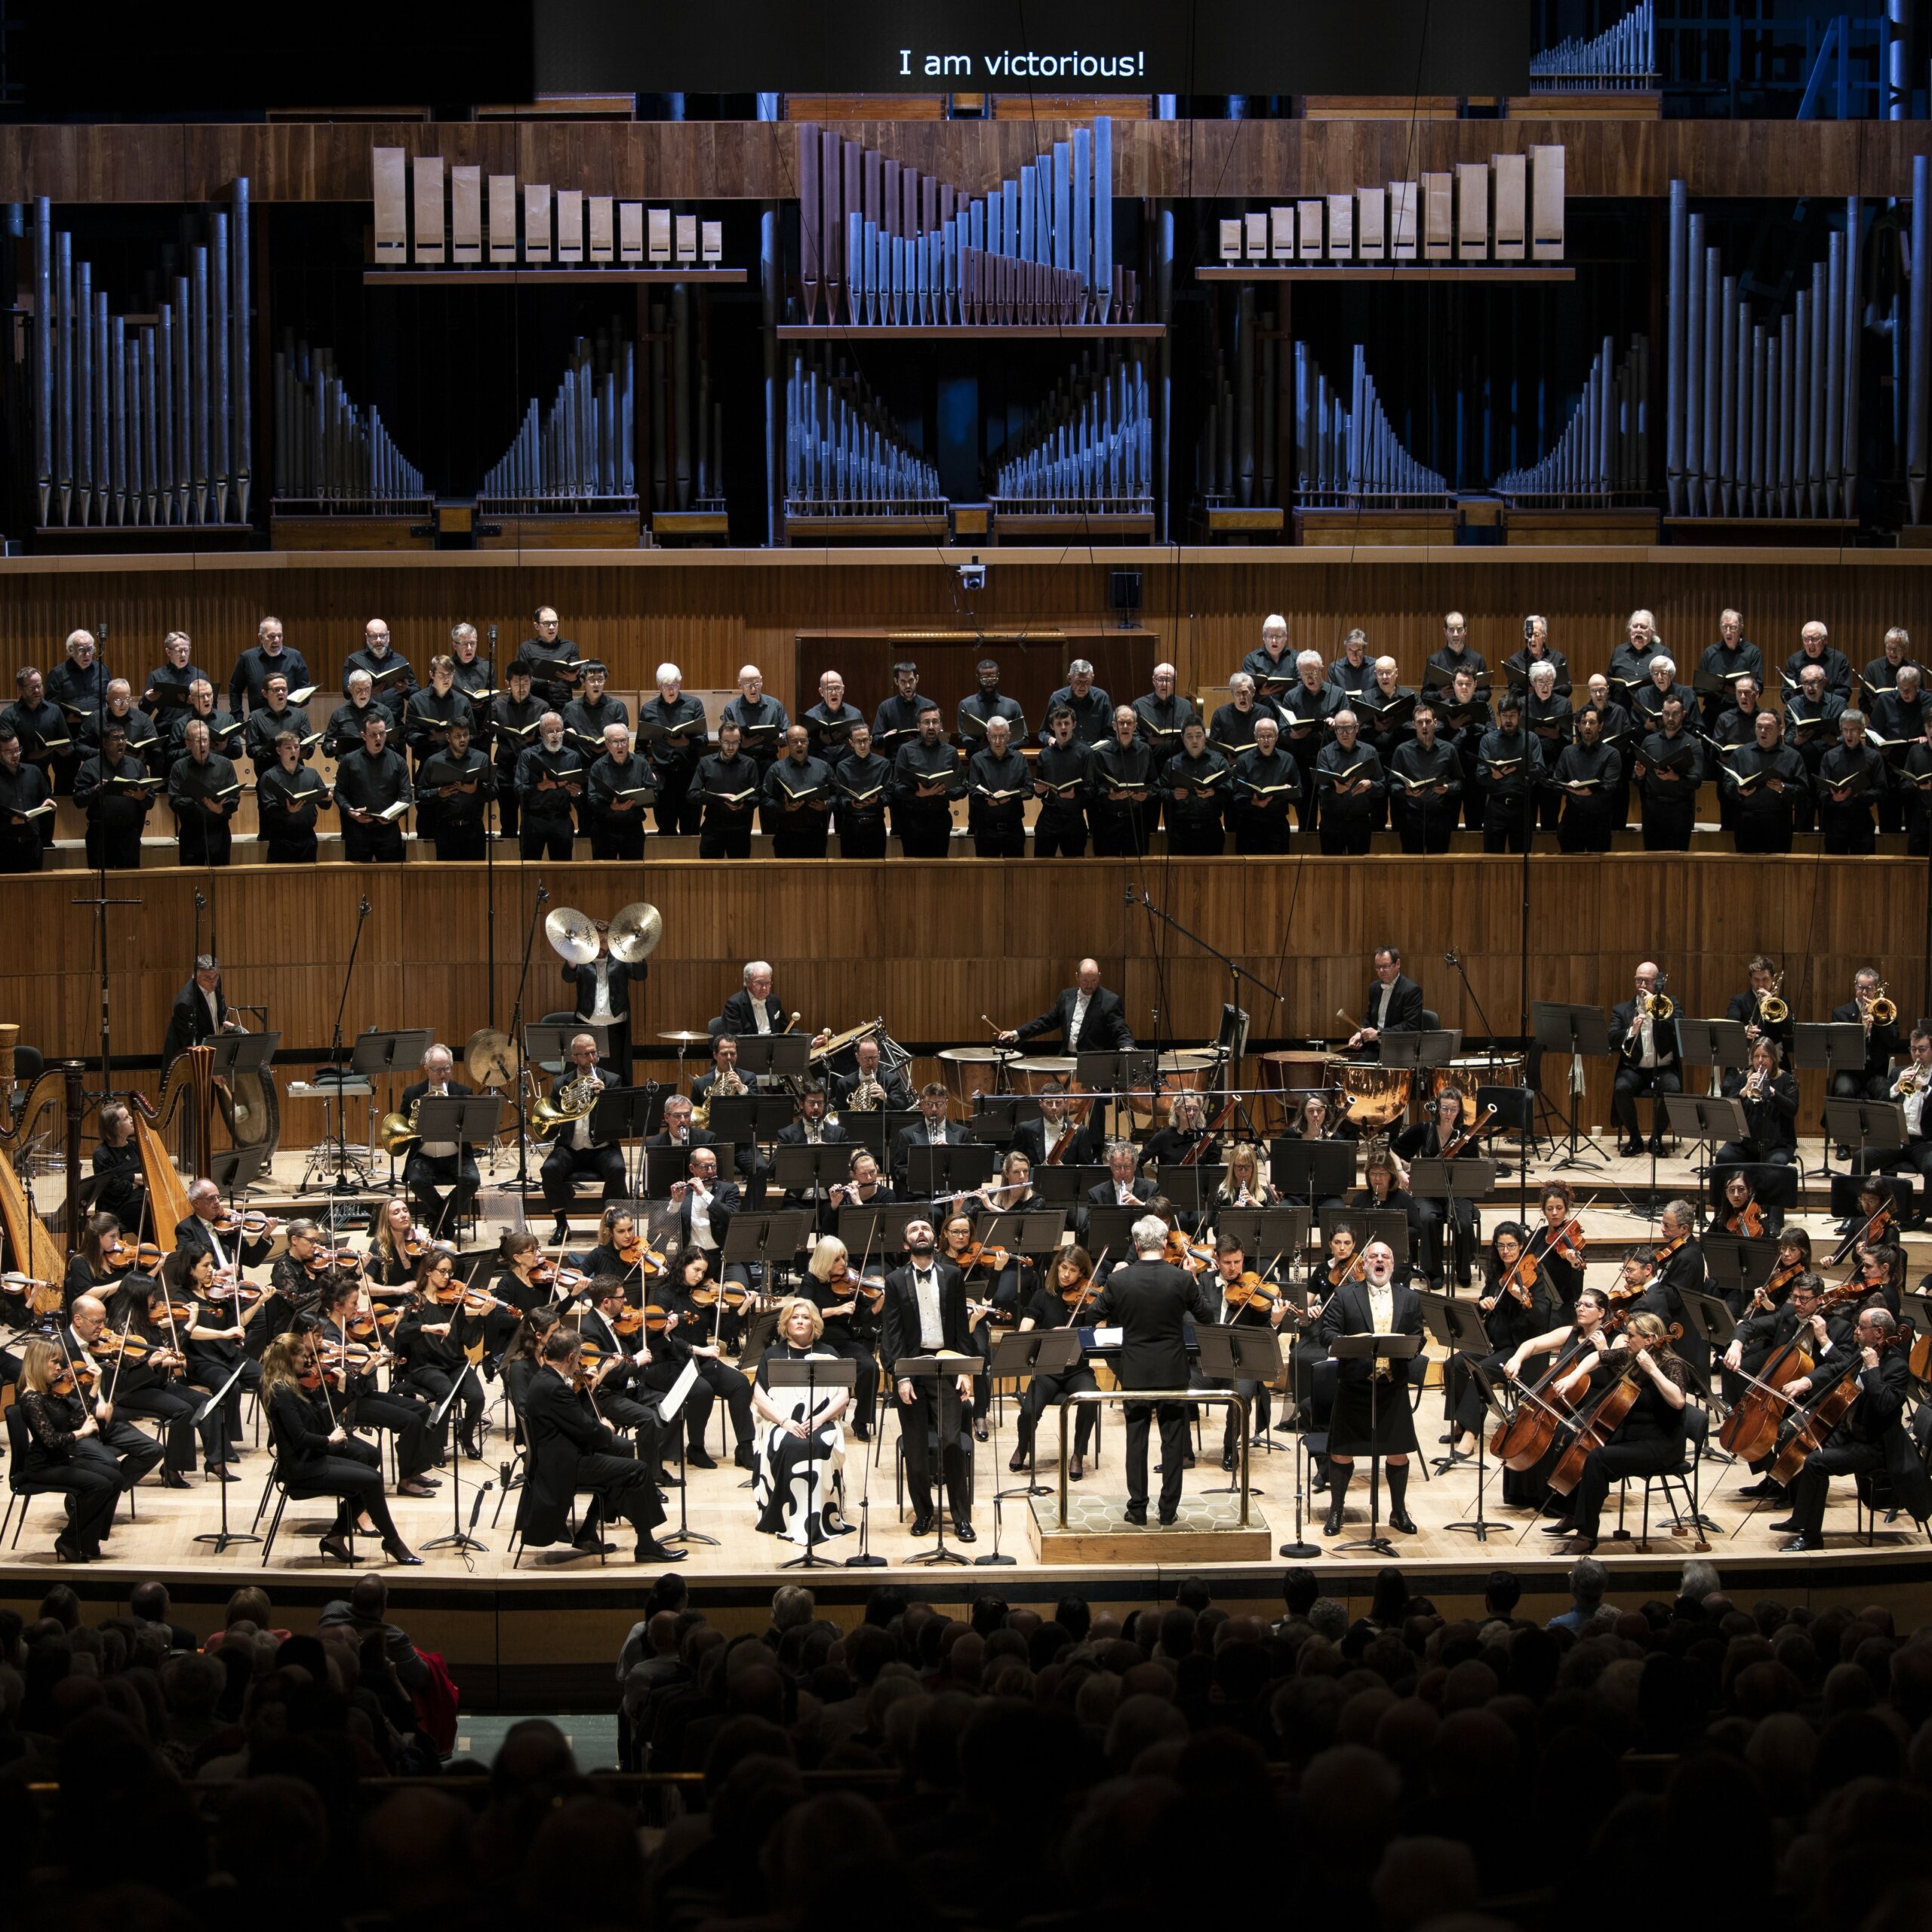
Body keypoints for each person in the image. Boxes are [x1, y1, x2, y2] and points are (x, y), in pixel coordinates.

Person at [1768, 1306, 1930, 1552]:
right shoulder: (1862, 1352)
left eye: (1861, 1328)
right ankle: (1800, 1519)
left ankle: (1812, 1537)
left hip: (1874, 1446)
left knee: (1815, 1463)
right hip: (1849, 1432)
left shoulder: (1896, 1366)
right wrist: (1806, 1381)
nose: (1856, 1331)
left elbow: (1885, 1405)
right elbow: (1835, 1369)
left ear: (1878, 1333)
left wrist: (1873, 1370)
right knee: (1801, 1442)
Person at [517, 1329, 683, 1563]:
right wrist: (606, 1429)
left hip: (560, 1453)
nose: (580, 1364)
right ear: (569, 1358)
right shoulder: (554, 1388)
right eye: (578, 1359)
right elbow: (588, 1430)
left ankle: (588, 1531)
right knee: (638, 1470)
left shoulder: (546, 1377)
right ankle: (646, 1544)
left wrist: (592, 1395)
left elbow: (574, 1420)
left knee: (623, 1448)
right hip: (564, 1465)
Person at [260, 1331, 420, 1567]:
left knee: (368, 1475)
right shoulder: (283, 1393)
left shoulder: (292, 1386)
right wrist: (329, 1441)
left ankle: (335, 1538)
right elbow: (300, 1438)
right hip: (302, 1469)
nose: (308, 1361)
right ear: (288, 1359)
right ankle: (393, 1542)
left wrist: (343, 1390)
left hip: (313, 1460)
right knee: (372, 1480)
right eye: (303, 1357)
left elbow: (321, 1422)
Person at [1089, 1215, 1204, 1526]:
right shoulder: (1180, 1279)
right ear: (1165, 1244)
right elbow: (1205, 1315)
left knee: (1136, 1439)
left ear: (1137, 1244)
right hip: (1172, 1370)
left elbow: (1092, 1313)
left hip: (1136, 1370)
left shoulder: (1120, 1280)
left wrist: (1114, 1287)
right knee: (1173, 1439)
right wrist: (1193, 1278)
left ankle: (1137, 1509)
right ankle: (1168, 1511)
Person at [1318, 1238, 1424, 1537]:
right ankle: (1336, 1510)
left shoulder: (1409, 1299)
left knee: (1399, 1453)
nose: (1380, 1261)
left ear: (1393, 1264)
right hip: (1354, 1385)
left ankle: (1398, 1510)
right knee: (1341, 1453)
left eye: (1386, 1257)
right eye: (1374, 1256)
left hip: (1392, 1386)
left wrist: (1410, 1348)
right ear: (1364, 1263)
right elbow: (1327, 1333)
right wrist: (1350, 1345)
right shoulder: (1344, 1295)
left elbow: (1419, 1336)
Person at [880, 1217, 977, 1540]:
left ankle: (962, 1517)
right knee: (917, 1450)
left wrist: (965, 1369)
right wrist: (901, 1376)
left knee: (951, 1443)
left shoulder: (952, 1275)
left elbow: (962, 1329)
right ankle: (924, 1514)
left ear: (936, 1240)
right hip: (912, 1367)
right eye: (913, 1230)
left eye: (926, 1229)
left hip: (946, 1365)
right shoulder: (894, 1281)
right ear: (906, 1244)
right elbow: (891, 1335)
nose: (921, 1233)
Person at [15, 1337, 152, 1562]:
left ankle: (88, 1541)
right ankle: (69, 1540)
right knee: (99, 1485)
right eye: (54, 1362)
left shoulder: (51, 1392)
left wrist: (95, 1387)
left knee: (115, 1477)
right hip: (41, 1466)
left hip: (59, 1461)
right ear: (40, 1363)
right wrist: (82, 1433)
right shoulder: (31, 1399)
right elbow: (50, 1440)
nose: (60, 1368)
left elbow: (75, 1420)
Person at [750, 1297, 853, 1545]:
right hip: (781, 1422)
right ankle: (784, 1516)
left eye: (806, 1317)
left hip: (821, 1422)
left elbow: (844, 1395)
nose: (800, 1321)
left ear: (814, 1324)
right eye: (795, 1317)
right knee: (788, 1444)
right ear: (786, 1323)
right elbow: (759, 1395)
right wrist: (785, 1422)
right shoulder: (772, 1355)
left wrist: (818, 1420)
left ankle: (819, 1516)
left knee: (819, 1444)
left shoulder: (829, 1354)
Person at [1009, 1245, 1103, 1480]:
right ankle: (1023, 1446)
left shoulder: (1088, 1299)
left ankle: (1078, 1454)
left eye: (1073, 1271)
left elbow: (1099, 1332)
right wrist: (1025, 1336)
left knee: (1091, 1399)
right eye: (1063, 1268)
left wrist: (1095, 1317)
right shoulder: (1043, 1296)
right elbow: (1028, 1320)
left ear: (1082, 1273)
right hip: (1047, 1370)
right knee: (1029, 1409)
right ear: (1057, 1267)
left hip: (1077, 1371)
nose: (1066, 1275)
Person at [539, 1033, 626, 1243]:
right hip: (570, 1148)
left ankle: (608, 1224)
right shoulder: (561, 1083)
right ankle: (562, 1225)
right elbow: (550, 1117)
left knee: (618, 1169)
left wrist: (606, 1097)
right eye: (585, 1055)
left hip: (602, 1148)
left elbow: (621, 1118)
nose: (591, 1058)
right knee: (548, 1169)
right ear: (574, 1057)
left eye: (593, 1052)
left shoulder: (612, 1080)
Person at [397, 1043, 481, 1239]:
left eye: (447, 1068)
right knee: (416, 1180)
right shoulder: (412, 1093)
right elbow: (402, 1126)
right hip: (424, 1156)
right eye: (437, 1070)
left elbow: (472, 1128)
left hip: (456, 1154)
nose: (442, 1074)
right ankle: (445, 1218)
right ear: (427, 1070)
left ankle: (438, 1219)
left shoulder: (463, 1092)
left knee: (472, 1180)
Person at [1610, 961, 1682, 1158]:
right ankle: (1635, 1138)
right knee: (1621, 1088)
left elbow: (1679, 1030)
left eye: (1647, 981)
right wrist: (1631, 1031)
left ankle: (1656, 1138)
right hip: (1635, 1069)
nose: (1642, 985)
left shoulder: (1671, 1004)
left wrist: (1656, 1011)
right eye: (1639, 980)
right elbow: (1612, 1039)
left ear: (1658, 983)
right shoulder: (1622, 1010)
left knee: (1673, 1089)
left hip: (1664, 1068)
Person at [1000, 958, 1134, 1055]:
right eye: (1085, 980)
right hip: (1067, 1059)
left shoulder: (1110, 1001)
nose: (1089, 985)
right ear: (1077, 977)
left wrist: (1127, 1047)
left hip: (1093, 1063)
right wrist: (1016, 1033)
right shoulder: (1066, 996)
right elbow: (1045, 1022)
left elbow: (1120, 1029)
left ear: (1099, 977)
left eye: (1094, 980)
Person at [561, 919, 641, 1079]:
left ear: (610, 941)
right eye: (596, 940)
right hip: (586, 1026)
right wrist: (572, 953)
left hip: (615, 1029)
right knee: (583, 1076)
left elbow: (640, 974)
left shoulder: (621, 958)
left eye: (604, 940)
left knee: (615, 1077)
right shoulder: (582, 959)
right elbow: (568, 976)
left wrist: (638, 952)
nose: (600, 945)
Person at [72, 721, 157, 868]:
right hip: (100, 836)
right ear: (104, 743)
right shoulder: (91, 766)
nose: (121, 743)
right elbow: (78, 800)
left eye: (123, 738)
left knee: (129, 883)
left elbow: (150, 801)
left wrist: (141, 798)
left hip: (129, 835)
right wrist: (95, 790)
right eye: (115, 738)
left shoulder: (137, 766)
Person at [639, 663, 709, 834]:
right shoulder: (648, 710)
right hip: (662, 776)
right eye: (666, 686)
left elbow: (704, 740)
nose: (671, 690)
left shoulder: (694, 705)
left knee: (691, 828)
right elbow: (640, 749)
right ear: (658, 686)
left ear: (680, 683)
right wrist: (648, 772)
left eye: (675, 685)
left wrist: (687, 743)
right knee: (665, 828)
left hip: (689, 774)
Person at [334, 711, 412, 863]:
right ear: (364, 736)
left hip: (389, 832)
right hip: (358, 832)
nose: (378, 738)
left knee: (393, 880)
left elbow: (406, 795)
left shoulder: (398, 761)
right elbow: (339, 792)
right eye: (373, 735)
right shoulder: (349, 761)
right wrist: (350, 811)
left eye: (382, 734)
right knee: (356, 882)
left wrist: (395, 815)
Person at [417, 718, 495, 862]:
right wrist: (438, 793)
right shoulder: (434, 762)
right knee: (447, 880)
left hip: (474, 830)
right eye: (457, 736)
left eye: (466, 735)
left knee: (476, 880)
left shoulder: (482, 759)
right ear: (448, 737)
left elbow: (495, 792)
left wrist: (475, 791)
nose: (463, 739)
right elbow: (420, 795)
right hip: (446, 831)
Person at [1389, 701, 1462, 853]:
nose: (1424, 726)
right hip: (1411, 820)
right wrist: (1405, 791)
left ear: (1435, 723)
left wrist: (1448, 788)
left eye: (1428, 722)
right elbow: (1392, 784)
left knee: (1439, 869)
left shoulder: (1449, 750)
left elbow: (1460, 782)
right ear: (1413, 725)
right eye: (1420, 722)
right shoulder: (1402, 751)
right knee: (1411, 869)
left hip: (1440, 819)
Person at [890, 706, 962, 857]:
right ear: (918, 726)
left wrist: (945, 792)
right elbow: (896, 787)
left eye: (935, 722)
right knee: (912, 871)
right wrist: (918, 793)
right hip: (912, 820)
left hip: (940, 820)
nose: (931, 726)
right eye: (926, 722)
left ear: (941, 725)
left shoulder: (950, 751)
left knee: (939, 870)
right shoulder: (906, 750)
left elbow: (962, 788)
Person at [166, 718, 239, 866]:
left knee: (221, 881)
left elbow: (235, 799)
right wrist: (197, 801)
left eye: (205, 740)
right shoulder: (179, 767)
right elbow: (174, 802)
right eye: (198, 741)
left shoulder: (225, 765)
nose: (203, 745)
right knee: (192, 881)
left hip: (219, 832)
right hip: (191, 834)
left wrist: (220, 809)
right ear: (187, 743)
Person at [255, 728, 331, 865]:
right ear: (279, 751)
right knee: (280, 884)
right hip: (281, 840)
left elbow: (325, 805)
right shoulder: (269, 776)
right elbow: (270, 809)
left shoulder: (311, 774)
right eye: (288, 748)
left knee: (308, 884)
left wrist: (327, 799)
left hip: (307, 839)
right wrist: (288, 810)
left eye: (296, 747)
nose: (293, 751)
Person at [1088, 706, 1156, 857]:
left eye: (1129, 723)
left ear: (1135, 727)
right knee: (1107, 872)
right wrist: (1109, 796)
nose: (1125, 727)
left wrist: (1146, 795)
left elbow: (1155, 784)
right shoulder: (1100, 753)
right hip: (1108, 822)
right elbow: (1093, 789)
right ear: (1114, 726)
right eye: (1121, 723)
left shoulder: (1145, 751)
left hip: (1135, 823)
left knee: (1135, 872)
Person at [1313, 710, 1383, 855]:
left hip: (1360, 822)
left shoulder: (1370, 752)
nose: (1344, 733)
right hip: (1332, 822)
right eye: (1339, 729)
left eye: (1349, 728)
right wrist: (1337, 792)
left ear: (1357, 728)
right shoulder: (1325, 753)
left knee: (1359, 872)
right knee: (1331, 872)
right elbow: (1321, 789)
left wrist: (1370, 786)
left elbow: (1382, 786)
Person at [515, 712, 582, 862]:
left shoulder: (573, 757)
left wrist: (576, 793)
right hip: (533, 820)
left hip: (561, 820)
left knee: (562, 872)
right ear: (541, 732)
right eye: (550, 731)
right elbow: (519, 790)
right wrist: (541, 786)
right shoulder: (528, 755)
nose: (555, 735)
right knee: (529, 869)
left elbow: (581, 796)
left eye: (559, 730)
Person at [1831, 966, 1903, 1106]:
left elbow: (1893, 1041)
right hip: (1849, 1071)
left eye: (1869, 988)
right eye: (1860, 987)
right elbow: (1840, 1046)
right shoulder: (1840, 1013)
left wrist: (1877, 1020)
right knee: (1843, 1091)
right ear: (1855, 986)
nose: (1864, 992)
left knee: (1884, 1093)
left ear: (1876, 988)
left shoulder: (1885, 1010)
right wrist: (1861, 1029)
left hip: (1876, 1070)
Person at [763, 724, 833, 860]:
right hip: (786, 836)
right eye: (794, 742)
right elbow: (766, 800)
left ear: (808, 742)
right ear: (788, 744)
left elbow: (837, 795)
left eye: (803, 741)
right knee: (786, 879)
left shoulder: (824, 767)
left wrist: (826, 804)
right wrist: (784, 807)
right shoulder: (776, 769)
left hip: (816, 835)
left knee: (815, 879)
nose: (799, 745)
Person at [1031, 704, 1093, 857]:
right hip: (1049, 818)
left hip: (1074, 819)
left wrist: (1074, 797)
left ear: (1074, 725)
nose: (1063, 727)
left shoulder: (1086, 753)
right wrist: (1039, 791)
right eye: (1059, 724)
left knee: (1074, 870)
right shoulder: (1045, 754)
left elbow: (1092, 789)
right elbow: (1040, 789)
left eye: (1067, 723)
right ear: (1052, 726)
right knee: (1041, 867)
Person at [965, 715, 1030, 858]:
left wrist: (1010, 797)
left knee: (1015, 877)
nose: (997, 741)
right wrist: (991, 802)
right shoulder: (977, 759)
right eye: (994, 736)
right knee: (986, 877)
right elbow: (973, 792)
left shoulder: (1019, 759)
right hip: (986, 830)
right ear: (988, 736)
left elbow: (1029, 790)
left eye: (1002, 736)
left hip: (1014, 829)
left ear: (1009, 736)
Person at [695, 719, 759, 859]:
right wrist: (715, 798)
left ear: (740, 741)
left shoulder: (749, 764)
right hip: (713, 829)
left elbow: (757, 796)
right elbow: (692, 794)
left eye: (735, 742)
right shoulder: (706, 763)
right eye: (727, 742)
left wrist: (744, 803)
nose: (731, 747)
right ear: (719, 741)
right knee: (709, 875)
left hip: (740, 830)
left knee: (741, 877)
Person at [830, 721, 891, 857]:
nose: (862, 745)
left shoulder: (884, 764)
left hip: (875, 825)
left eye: (865, 740)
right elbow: (839, 797)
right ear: (851, 743)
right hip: (851, 826)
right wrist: (849, 802)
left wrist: (878, 800)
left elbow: (890, 794)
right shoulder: (843, 766)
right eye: (858, 741)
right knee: (851, 871)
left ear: (870, 740)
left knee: (876, 872)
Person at [0, 724, 52, 871]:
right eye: (9, 752)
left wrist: (49, 802)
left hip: (32, 845)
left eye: (17, 750)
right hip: (4, 846)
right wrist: (9, 822)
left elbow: (47, 797)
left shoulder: (34, 772)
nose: (15, 755)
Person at [512, 605, 582, 708]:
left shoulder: (570, 647)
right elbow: (520, 680)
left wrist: (573, 679)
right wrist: (546, 681)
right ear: (537, 626)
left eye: (555, 622)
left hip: (564, 706)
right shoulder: (526, 648)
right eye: (546, 623)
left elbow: (577, 685)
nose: (552, 627)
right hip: (535, 707)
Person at [1041, 657, 1112, 746]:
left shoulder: (1102, 698)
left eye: (1087, 682)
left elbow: (1110, 735)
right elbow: (1043, 733)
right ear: (1070, 678)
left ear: (1093, 678)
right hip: (1066, 754)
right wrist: (1050, 739)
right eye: (1078, 682)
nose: (1083, 687)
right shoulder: (1057, 698)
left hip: (1095, 754)